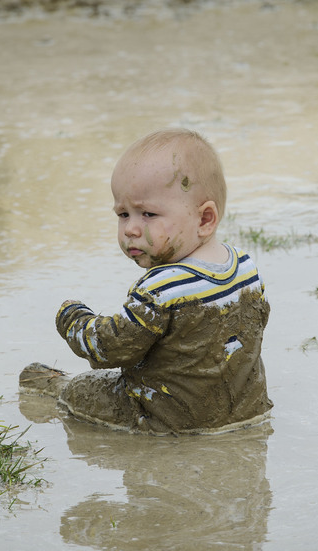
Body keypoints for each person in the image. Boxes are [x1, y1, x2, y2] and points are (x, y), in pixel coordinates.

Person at [21, 128, 272, 435]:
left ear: (205, 219)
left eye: (148, 214)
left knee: (83, 390)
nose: (131, 229)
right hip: (248, 407)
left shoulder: (161, 288)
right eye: (123, 214)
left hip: (167, 419)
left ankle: (55, 385)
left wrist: (74, 320)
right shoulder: (246, 267)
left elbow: (111, 349)